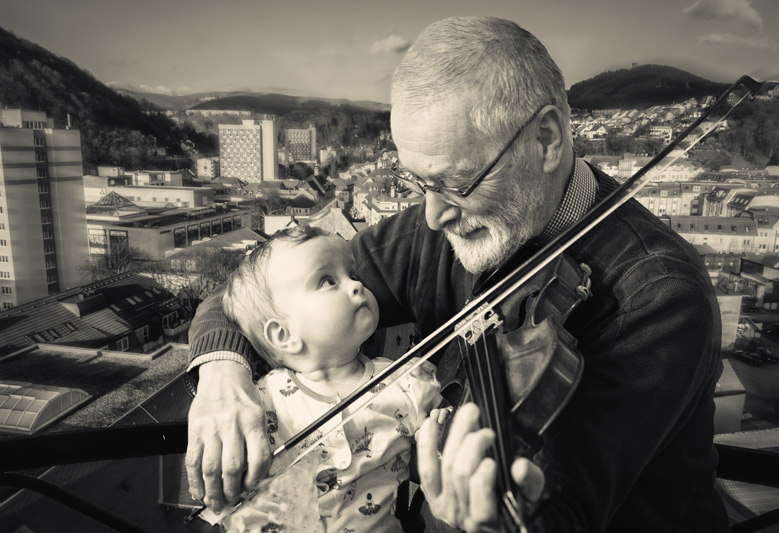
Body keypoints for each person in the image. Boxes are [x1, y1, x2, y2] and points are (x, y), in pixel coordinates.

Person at [186, 16, 729, 532]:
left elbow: (564, 518)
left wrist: (481, 522)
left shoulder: (657, 296)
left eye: (457, 183)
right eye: (420, 183)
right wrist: (221, 376)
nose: (432, 215)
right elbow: (258, 288)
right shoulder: (451, 225)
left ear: (547, 139)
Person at [205, 224, 443, 532]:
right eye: (327, 280)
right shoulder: (259, 403)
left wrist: (436, 442)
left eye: (353, 275)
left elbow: (432, 464)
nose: (357, 286)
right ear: (284, 335)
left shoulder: (408, 383)